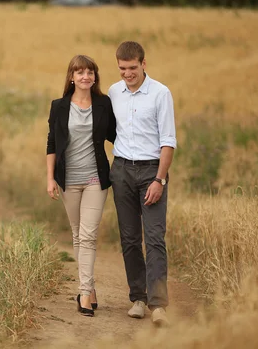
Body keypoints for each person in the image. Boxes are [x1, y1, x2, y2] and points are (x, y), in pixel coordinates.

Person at [108, 41, 177, 327]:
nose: (127, 74)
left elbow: (168, 141)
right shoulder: (114, 92)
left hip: (151, 171)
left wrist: (159, 179)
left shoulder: (161, 94)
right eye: (122, 69)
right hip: (122, 169)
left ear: (144, 64)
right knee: (129, 238)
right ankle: (138, 297)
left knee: (155, 237)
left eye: (132, 68)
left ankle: (158, 304)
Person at [46, 54, 116, 317]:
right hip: (68, 180)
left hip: (95, 179)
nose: (85, 76)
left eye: (90, 72)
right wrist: (50, 178)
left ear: (95, 76)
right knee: (77, 235)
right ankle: (91, 286)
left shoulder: (104, 104)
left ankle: (84, 293)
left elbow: (116, 136)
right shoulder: (59, 106)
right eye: (80, 72)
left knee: (88, 236)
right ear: (71, 77)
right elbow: (52, 143)